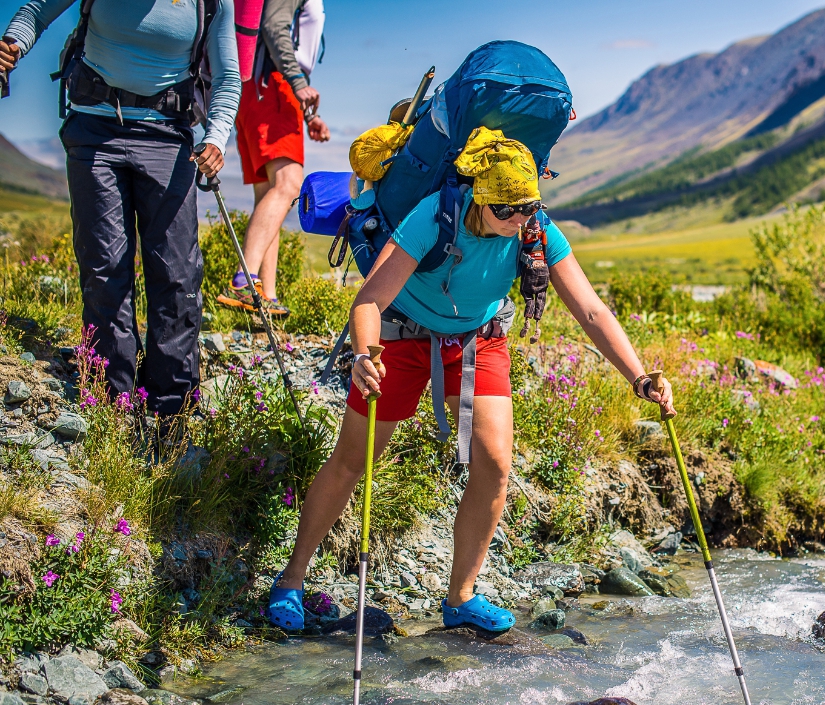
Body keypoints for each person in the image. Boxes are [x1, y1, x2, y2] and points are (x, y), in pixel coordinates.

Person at [267, 128, 674, 632]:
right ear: (478, 197)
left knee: (496, 462)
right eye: (505, 210)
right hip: (400, 335)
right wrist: (365, 355)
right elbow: (369, 300)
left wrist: (640, 378)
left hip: (478, 339)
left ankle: (460, 596)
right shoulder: (434, 215)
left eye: (526, 208)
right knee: (355, 459)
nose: (517, 220)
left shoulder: (536, 229)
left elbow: (590, 310)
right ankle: (291, 579)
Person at [0, 0, 238, 417]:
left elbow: (227, 76)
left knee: (178, 276)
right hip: (95, 129)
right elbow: (36, 10)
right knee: (105, 267)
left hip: (169, 134)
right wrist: (13, 44)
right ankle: (113, 404)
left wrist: (216, 136)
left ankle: (171, 412)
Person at [217, 0, 328, 318]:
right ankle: (244, 281)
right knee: (288, 185)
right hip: (273, 88)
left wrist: (308, 117)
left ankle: (266, 292)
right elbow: (274, 27)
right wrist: (298, 84)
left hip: (252, 90)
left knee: (269, 196)